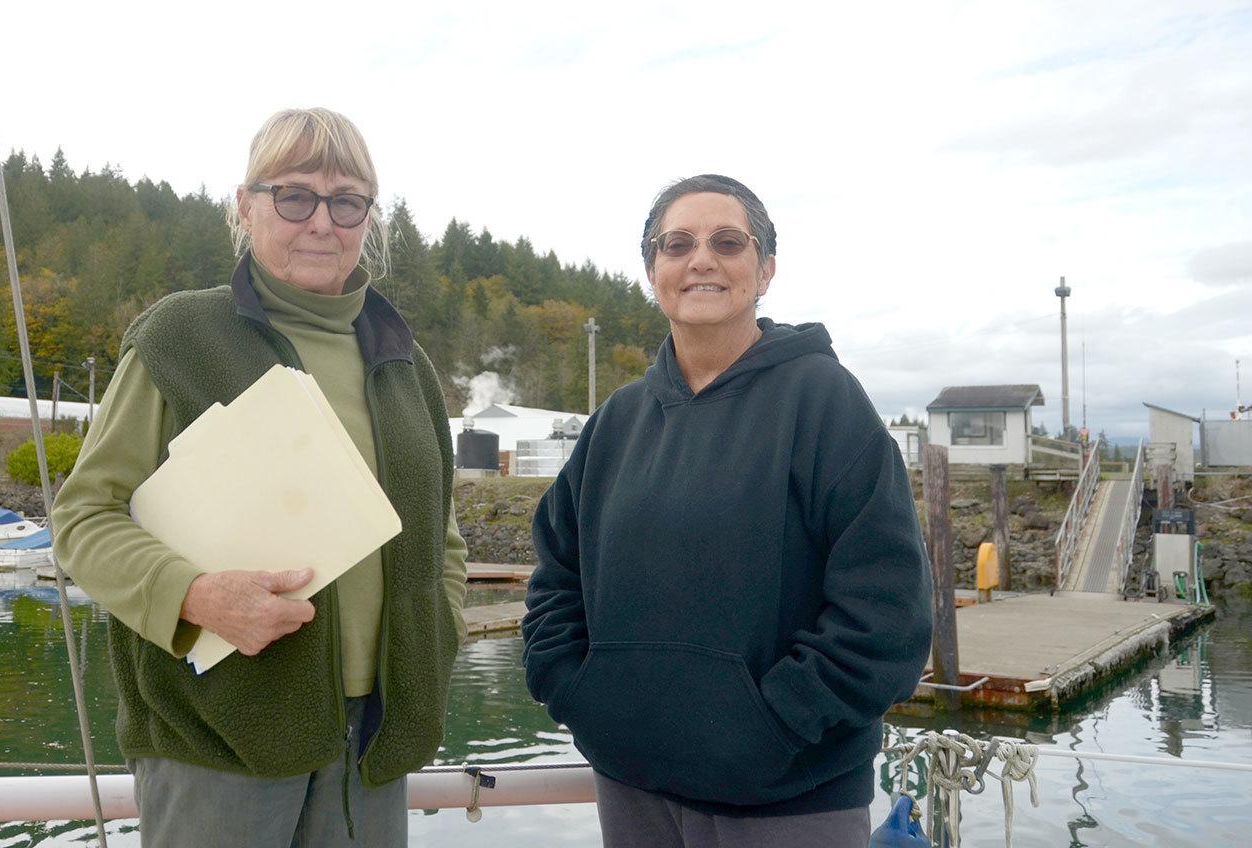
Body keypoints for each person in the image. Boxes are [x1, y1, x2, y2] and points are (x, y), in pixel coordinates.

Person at [52, 107, 467, 848]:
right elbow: (84, 519)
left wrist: (434, 639)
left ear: (369, 219)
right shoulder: (180, 335)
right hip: (217, 738)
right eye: (295, 195)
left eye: (346, 201)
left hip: (374, 741)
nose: (322, 222)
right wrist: (196, 596)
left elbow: (445, 541)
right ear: (245, 207)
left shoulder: (408, 363)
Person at [521, 174, 933, 847]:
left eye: (728, 242)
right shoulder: (616, 422)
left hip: (790, 799)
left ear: (764, 269)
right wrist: (578, 696)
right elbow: (554, 578)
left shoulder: (825, 402)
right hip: (632, 789)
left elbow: (888, 612)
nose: (701, 259)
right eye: (676, 243)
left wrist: (772, 725)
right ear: (653, 270)